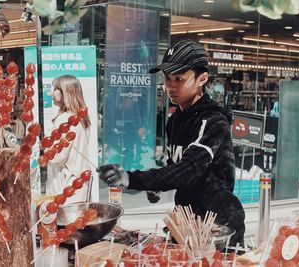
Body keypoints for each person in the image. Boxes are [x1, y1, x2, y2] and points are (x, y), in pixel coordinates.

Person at [98, 40, 246, 246]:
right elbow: (177, 162)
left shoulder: (213, 122)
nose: (171, 86)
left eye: (179, 79)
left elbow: (189, 169)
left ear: (202, 78)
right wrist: (159, 184)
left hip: (218, 226)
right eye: (167, 79)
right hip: (186, 223)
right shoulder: (175, 119)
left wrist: (133, 179)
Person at [46, 75, 91, 204]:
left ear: (65, 92)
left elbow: (57, 157)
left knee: (63, 222)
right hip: (79, 183)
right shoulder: (82, 118)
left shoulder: (65, 119)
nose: (52, 93)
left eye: (55, 89)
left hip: (65, 187)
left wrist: (45, 150)